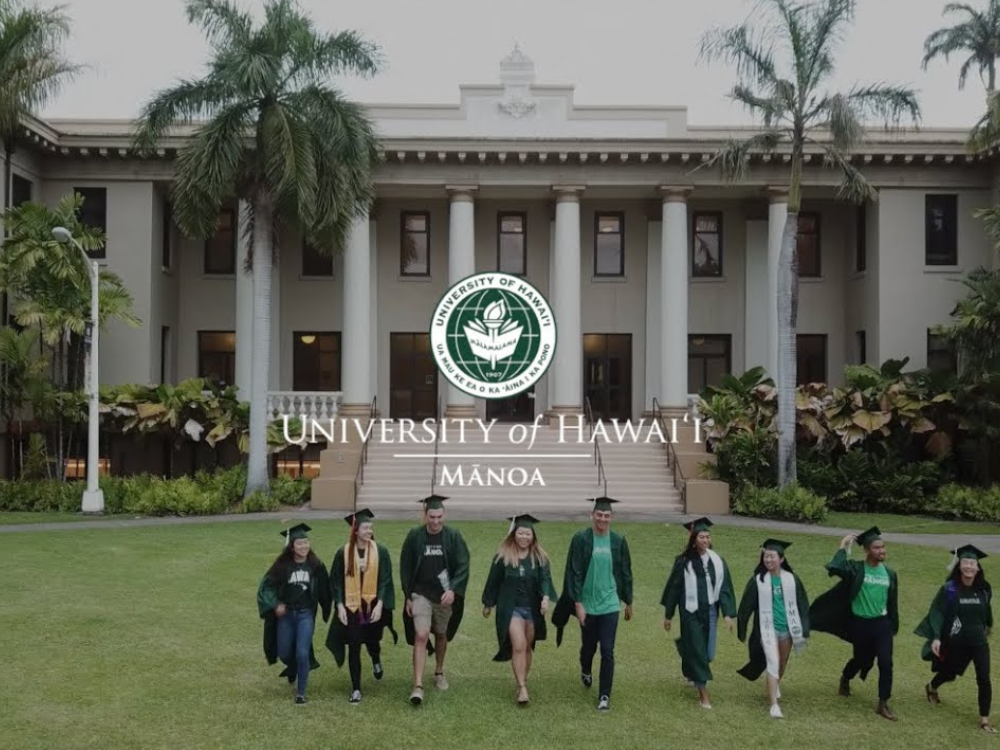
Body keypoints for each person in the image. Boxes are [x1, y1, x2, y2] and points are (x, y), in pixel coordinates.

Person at [551, 496, 634, 712]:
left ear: (611, 517)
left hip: (610, 604)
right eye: (599, 515)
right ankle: (585, 669)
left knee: (607, 650)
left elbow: (625, 572)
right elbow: (574, 571)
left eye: (607, 516)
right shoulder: (581, 539)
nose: (603, 519)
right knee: (589, 647)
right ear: (592, 515)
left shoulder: (617, 541)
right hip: (587, 604)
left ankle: (604, 695)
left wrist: (628, 601)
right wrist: (577, 602)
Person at [809, 526, 899, 721]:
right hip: (860, 624)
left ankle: (883, 702)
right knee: (862, 660)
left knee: (886, 662)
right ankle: (846, 677)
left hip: (882, 624)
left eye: (883, 547)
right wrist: (843, 547)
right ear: (867, 550)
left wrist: (892, 625)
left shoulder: (890, 574)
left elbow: (892, 602)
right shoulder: (856, 569)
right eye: (877, 547)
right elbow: (836, 567)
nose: (882, 550)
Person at [398, 494, 471, 706]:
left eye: (439, 516)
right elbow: (405, 567)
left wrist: (454, 590)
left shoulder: (453, 536)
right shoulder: (415, 536)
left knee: (441, 634)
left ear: (444, 514)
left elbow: (463, 564)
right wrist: (408, 595)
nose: (436, 521)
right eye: (432, 516)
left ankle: (439, 671)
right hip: (421, 593)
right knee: (421, 635)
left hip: (444, 595)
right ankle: (418, 686)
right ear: (425, 515)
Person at [915, 544, 995, 733]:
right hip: (957, 641)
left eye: (972, 563)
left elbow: (987, 610)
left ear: (978, 567)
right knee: (950, 673)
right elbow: (936, 611)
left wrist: (987, 626)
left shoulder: (984, 589)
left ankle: (984, 719)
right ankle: (932, 686)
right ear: (959, 566)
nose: (969, 566)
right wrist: (936, 637)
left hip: (979, 642)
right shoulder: (950, 589)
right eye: (965, 562)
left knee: (984, 678)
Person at [481, 514, 558, 706]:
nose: (524, 537)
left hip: (532, 609)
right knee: (518, 645)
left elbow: (545, 579)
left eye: (528, 534)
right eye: (521, 533)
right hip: (511, 609)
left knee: (527, 647)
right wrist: (488, 604)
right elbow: (493, 580)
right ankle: (522, 687)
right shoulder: (503, 557)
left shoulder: (540, 557)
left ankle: (523, 679)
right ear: (514, 534)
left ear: (533, 536)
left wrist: (546, 597)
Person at [660, 517, 737, 710]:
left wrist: (727, 614)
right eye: (701, 536)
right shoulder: (683, 561)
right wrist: (668, 615)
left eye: (707, 537)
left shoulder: (718, 561)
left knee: (708, 654)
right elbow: (674, 589)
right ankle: (703, 695)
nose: (705, 540)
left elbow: (725, 587)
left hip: (710, 611)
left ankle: (688, 659)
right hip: (690, 612)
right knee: (700, 654)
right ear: (694, 539)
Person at [325, 508, 399, 704]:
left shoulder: (380, 550)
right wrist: (339, 606)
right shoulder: (343, 553)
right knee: (354, 645)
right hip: (351, 606)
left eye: (371, 527)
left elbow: (385, 580)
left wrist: (380, 605)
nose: (369, 531)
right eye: (366, 528)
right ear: (355, 530)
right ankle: (356, 688)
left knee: (372, 640)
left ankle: (376, 660)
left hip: (373, 604)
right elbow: (336, 582)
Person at [256, 523, 331, 705]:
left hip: (305, 615)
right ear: (291, 546)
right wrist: (275, 605)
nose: (304, 547)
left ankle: (301, 692)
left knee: (302, 652)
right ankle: (293, 668)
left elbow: (325, 589)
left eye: (306, 543)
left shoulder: (315, 565)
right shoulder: (282, 566)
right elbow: (266, 587)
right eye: (299, 543)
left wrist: (326, 607)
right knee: (284, 652)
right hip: (287, 615)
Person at [735, 539, 811, 719]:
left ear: (781, 559)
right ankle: (774, 706)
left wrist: (804, 630)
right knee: (773, 663)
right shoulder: (758, 581)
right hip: (766, 629)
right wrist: (742, 629)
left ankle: (774, 685)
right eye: (766, 556)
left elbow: (803, 605)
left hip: (787, 630)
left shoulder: (792, 579)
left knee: (782, 663)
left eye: (772, 556)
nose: (768, 560)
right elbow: (745, 606)